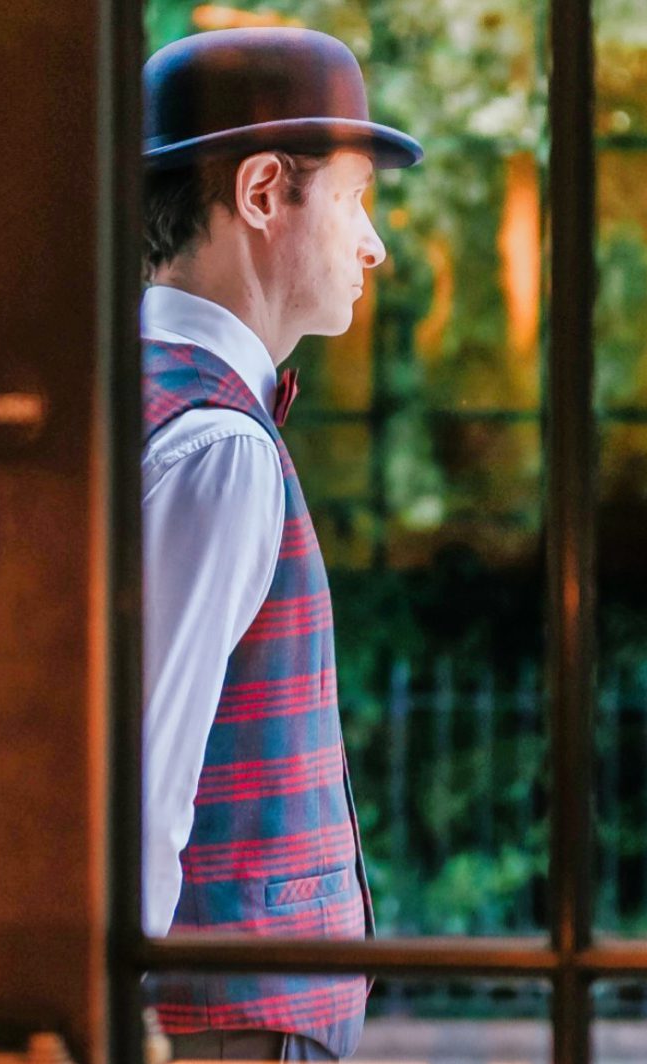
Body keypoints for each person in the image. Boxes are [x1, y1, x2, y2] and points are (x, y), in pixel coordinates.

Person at [140, 27, 423, 1062]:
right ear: (262, 192)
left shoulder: (140, 394)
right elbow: (137, 784)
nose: (371, 242)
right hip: (222, 1029)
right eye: (351, 197)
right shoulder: (214, 444)